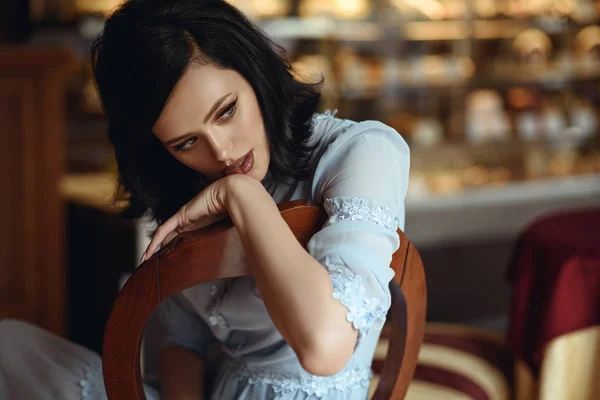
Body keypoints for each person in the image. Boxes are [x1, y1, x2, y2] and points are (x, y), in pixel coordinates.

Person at [0, 0, 410, 399]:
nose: (221, 152)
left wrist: (243, 195)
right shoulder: (189, 186)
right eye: (186, 141)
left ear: (254, 72)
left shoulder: (362, 151)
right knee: (9, 347)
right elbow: (182, 343)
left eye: (226, 111)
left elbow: (325, 347)